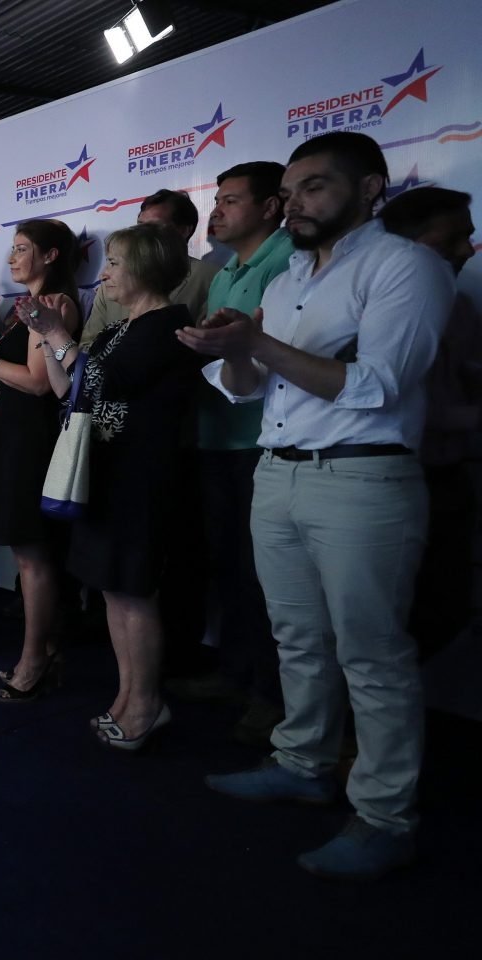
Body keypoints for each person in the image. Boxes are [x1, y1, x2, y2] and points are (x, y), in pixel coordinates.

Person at [181, 131, 454, 881]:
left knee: (372, 654)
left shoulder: (407, 267)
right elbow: (245, 388)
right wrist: (230, 349)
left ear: (370, 190)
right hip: (279, 472)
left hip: (364, 481)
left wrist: (257, 347)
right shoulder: (286, 277)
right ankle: (302, 762)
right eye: (291, 190)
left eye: (315, 188)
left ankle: (385, 816)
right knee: (296, 635)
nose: (295, 203)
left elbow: (378, 387)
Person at [29, 223, 200, 750]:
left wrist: (58, 334)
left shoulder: (168, 325)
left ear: (145, 267)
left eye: (115, 263)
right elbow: (70, 391)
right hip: (103, 474)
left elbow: (105, 382)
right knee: (113, 591)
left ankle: (147, 703)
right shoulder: (115, 330)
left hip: (140, 478)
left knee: (135, 592)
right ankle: (129, 696)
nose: (103, 274)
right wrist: (45, 333)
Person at [171, 161, 295, 747]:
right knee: (228, 568)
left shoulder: (287, 261)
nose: (216, 211)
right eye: (216, 200)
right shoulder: (225, 272)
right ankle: (236, 674)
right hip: (214, 437)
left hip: (259, 442)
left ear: (272, 207)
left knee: (263, 577)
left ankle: (272, 696)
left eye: (230, 201)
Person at [0, 219, 79, 696]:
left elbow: (40, 382)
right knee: (29, 554)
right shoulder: (19, 310)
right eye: (12, 247)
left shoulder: (55, 304)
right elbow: (2, 379)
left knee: (34, 557)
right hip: (13, 438)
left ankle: (36, 659)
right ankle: (44, 651)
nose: (11, 257)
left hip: (35, 442)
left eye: (22, 248)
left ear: (50, 255)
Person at [380, 186, 480, 659]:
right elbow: (384, 398)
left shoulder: (461, 308)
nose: (466, 251)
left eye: (469, 238)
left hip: (448, 479)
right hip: (386, 483)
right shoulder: (370, 308)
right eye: (452, 239)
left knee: (443, 609)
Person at [81, 190, 220, 347]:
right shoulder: (109, 279)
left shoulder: (211, 278)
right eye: (139, 225)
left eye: (153, 227)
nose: (141, 234)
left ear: (183, 230)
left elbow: (207, 348)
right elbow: (87, 344)